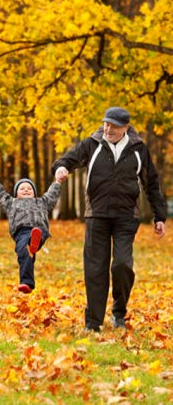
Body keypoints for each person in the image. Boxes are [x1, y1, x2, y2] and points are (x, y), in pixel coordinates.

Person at [52, 107, 166, 332]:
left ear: (126, 127)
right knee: (95, 268)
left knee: (122, 264)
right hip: (97, 214)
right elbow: (67, 160)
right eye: (106, 124)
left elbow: (151, 182)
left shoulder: (138, 148)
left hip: (126, 216)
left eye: (114, 125)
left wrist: (159, 215)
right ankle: (93, 322)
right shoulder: (92, 144)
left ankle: (119, 313)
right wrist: (61, 169)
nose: (108, 129)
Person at [0, 171, 62, 293]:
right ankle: (27, 282)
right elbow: (0, 195)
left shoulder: (42, 202)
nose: (26, 190)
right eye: (22, 189)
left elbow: (52, 194)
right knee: (23, 252)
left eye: (29, 188)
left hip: (39, 230)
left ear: (34, 193)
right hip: (21, 232)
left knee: (35, 236)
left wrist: (58, 182)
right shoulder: (11, 203)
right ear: (16, 193)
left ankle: (34, 241)